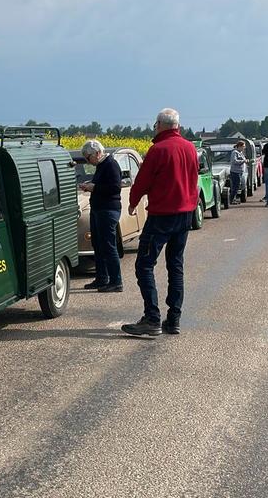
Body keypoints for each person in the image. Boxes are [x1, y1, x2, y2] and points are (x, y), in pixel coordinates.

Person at [121, 108, 198, 337]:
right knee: (175, 265)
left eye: (155, 124)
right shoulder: (190, 148)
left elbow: (142, 180)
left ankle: (152, 318)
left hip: (162, 214)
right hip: (185, 213)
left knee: (144, 265)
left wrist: (133, 202)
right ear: (177, 126)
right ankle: (173, 319)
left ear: (160, 125)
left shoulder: (158, 149)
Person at [78, 140, 123, 292]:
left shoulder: (111, 164)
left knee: (108, 245)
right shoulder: (101, 165)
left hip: (108, 209)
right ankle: (102, 278)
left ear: (97, 153)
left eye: (88, 157)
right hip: (99, 209)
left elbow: (115, 187)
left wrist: (94, 187)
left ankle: (116, 281)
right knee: (97, 244)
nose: (87, 161)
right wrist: (90, 186)